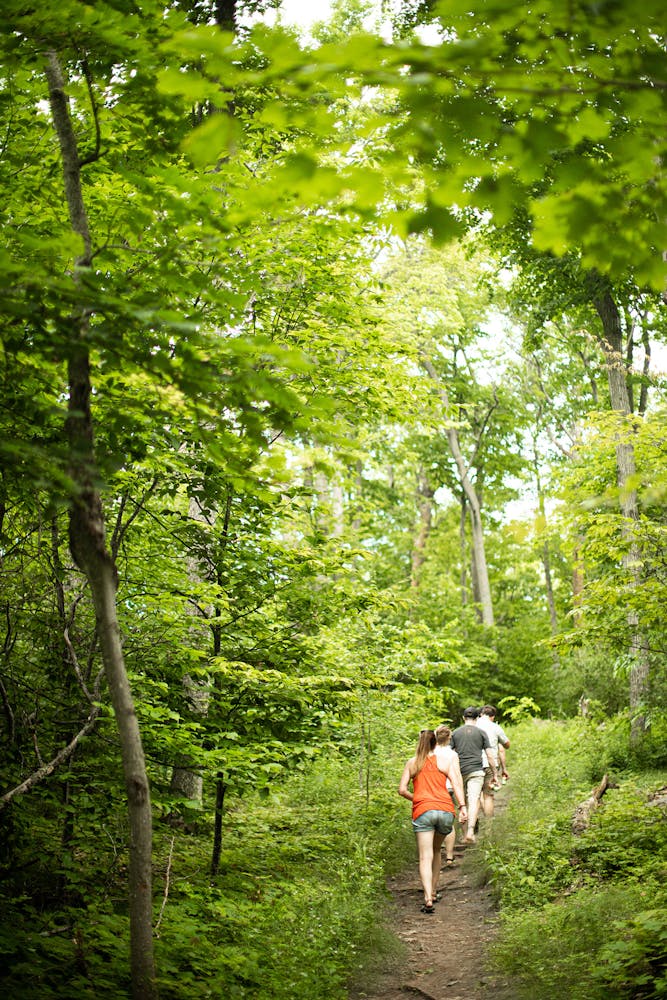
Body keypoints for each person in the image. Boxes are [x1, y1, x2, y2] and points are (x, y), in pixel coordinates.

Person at [398, 729, 467, 913]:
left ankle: (428, 897)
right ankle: (435, 891)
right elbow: (456, 784)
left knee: (425, 856)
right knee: (437, 851)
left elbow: (402, 790)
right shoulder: (444, 761)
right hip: (445, 810)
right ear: (435, 743)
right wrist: (462, 807)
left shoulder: (412, 763)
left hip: (423, 811)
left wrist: (419, 799)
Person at [449, 707, 497, 843]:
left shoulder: (455, 733)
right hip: (476, 771)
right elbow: (489, 755)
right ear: (477, 718)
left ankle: (465, 835)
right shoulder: (481, 732)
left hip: (459, 772)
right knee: (474, 799)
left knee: (462, 802)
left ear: (464, 718)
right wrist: (495, 774)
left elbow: (449, 754)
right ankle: (471, 831)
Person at [434, 724, 460, 868]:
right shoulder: (452, 754)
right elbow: (456, 775)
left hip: (433, 790)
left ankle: (434, 852)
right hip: (449, 789)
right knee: (448, 822)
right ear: (449, 738)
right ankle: (449, 856)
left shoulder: (430, 752)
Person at [478, 704, 511, 819]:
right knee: (488, 795)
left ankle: (473, 822)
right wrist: (504, 769)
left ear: (481, 714)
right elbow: (506, 745)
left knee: (475, 794)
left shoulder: (472, 725)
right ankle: (488, 826)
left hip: (473, 764)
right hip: (489, 764)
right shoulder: (495, 727)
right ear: (492, 716)